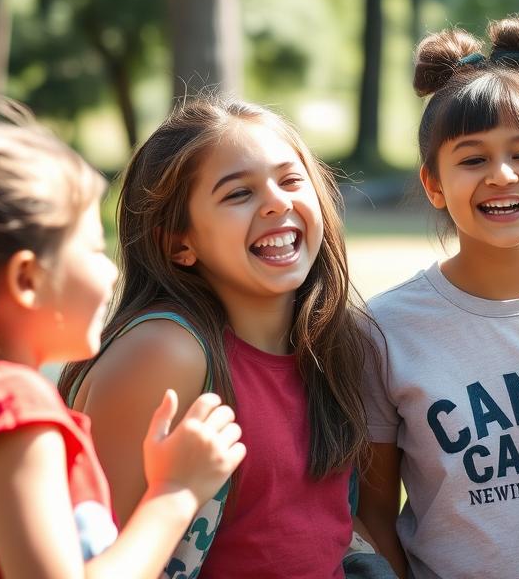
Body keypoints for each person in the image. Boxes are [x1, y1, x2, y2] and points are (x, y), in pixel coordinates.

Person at [0, 100, 244, 578]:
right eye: (92, 249)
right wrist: (176, 492)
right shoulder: (12, 407)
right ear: (27, 279)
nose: (110, 272)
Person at [60, 97, 378, 578]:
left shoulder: (333, 343)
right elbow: (96, 560)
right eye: (238, 194)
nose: (277, 201)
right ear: (179, 243)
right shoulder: (166, 353)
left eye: (291, 180)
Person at [356, 13, 519, 579]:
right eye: (472, 159)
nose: (500, 175)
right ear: (433, 184)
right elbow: (372, 512)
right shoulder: (385, 328)